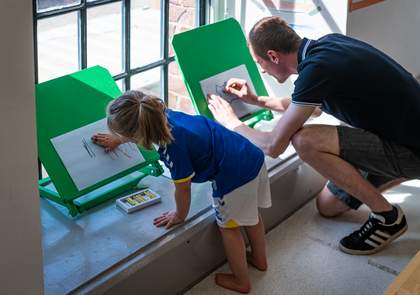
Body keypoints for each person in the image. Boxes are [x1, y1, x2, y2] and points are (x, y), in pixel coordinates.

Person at [207, 16, 420, 255]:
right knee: (327, 206)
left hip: (411, 149)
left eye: (260, 63)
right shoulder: (328, 47)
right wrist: (256, 101)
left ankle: (388, 218)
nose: (262, 70)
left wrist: (232, 123)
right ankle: (395, 174)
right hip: (399, 135)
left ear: (274, 56)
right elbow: (309, 106)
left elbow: (273, 147)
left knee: (304, 140)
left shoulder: (317, 70)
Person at [92, 90, 272, 293]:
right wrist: (119, 140)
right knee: (252, 216)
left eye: (124, 136)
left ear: (136, 135)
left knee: (229, 228)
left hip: (234, 178)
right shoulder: (162, 115)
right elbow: (142, 124)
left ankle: (241, 281)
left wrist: (179, 215)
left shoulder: (172, 148)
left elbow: (183, 188)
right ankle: (259, 259)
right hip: (252, 158)